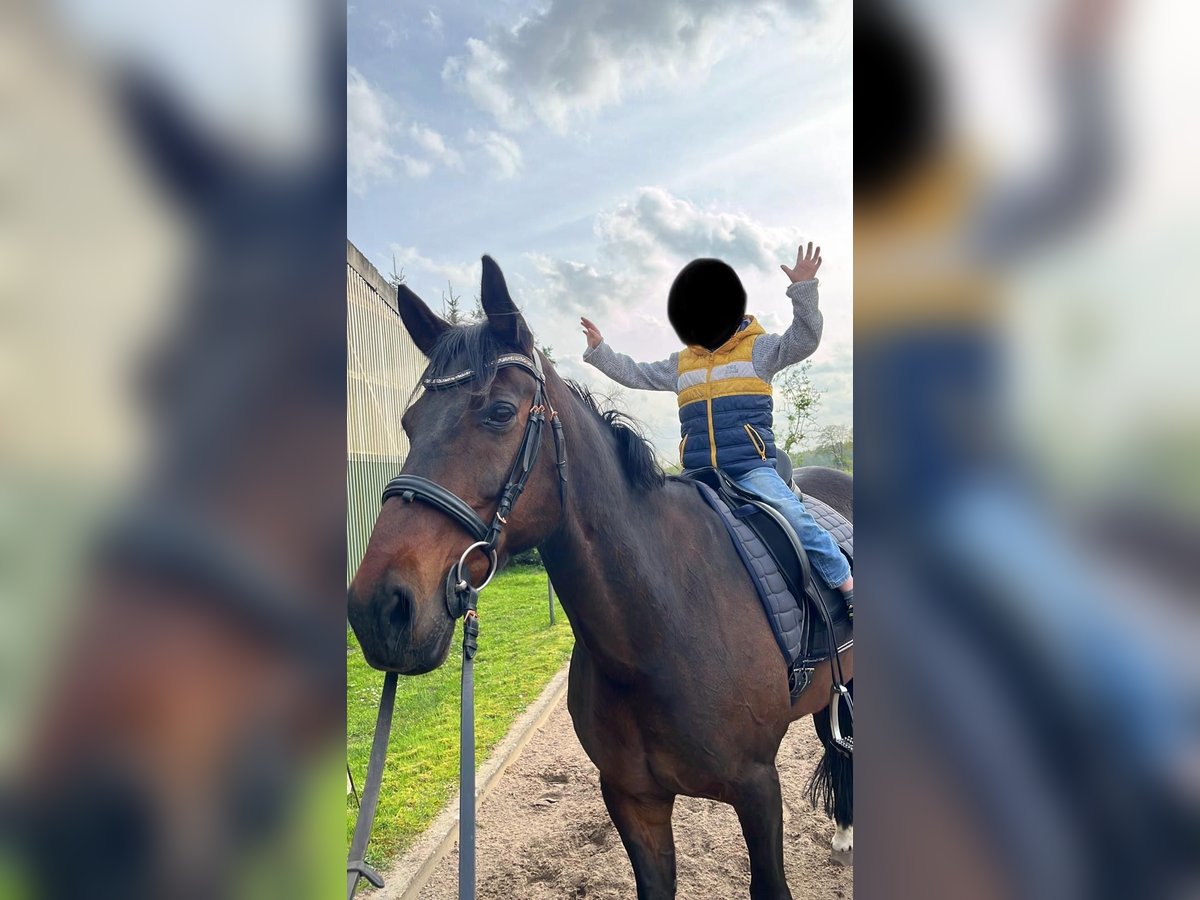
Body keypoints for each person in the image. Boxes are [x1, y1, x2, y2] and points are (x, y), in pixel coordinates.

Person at [581, 244, 853, 600]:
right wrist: (600, 351)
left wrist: (802, 290)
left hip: (749, 469)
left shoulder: (758, 350)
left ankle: (846, 582)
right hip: (697, 471)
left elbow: (804, 339)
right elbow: (636, 373)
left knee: (793, 515)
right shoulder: (682, 364)